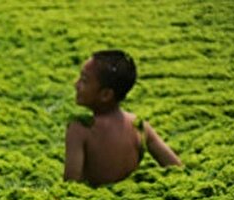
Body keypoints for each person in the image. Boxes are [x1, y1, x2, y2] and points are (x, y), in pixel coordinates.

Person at [64, 50, 181, 186]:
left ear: (106, 95)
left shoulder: (79, 129)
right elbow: (175, 167)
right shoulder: (139, 126)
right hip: (130, 199)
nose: (76, 84)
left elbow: (70, 184)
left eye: (84, 80)